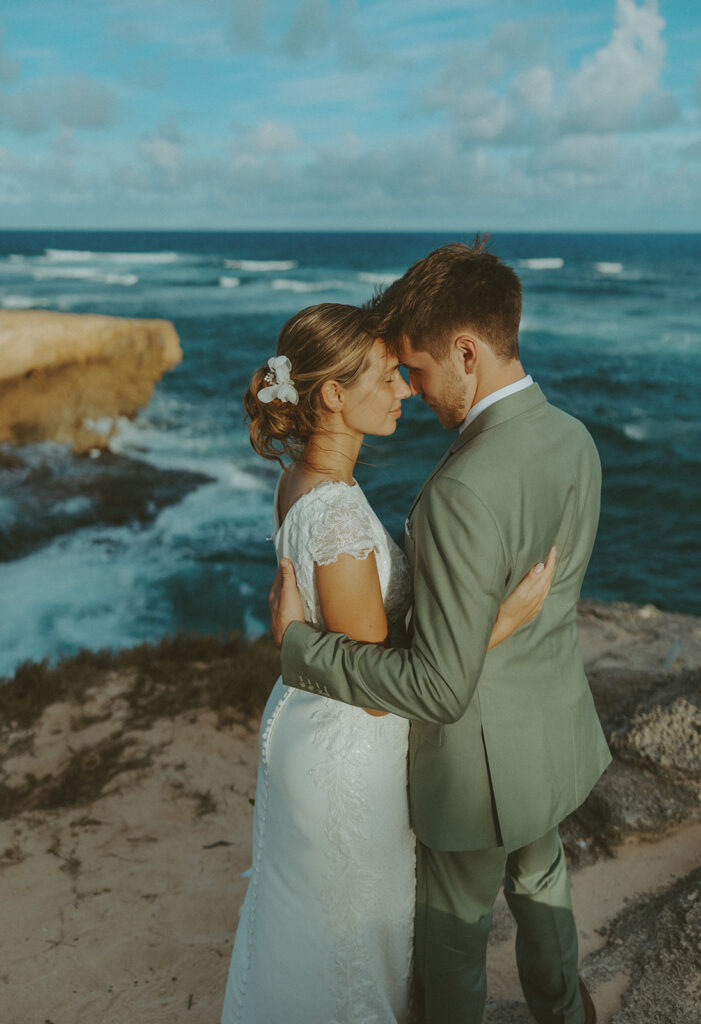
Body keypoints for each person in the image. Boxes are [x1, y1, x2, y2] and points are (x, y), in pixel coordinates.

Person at [270, 241, 611, 1024]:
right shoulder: (573, 438)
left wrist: (298, 648)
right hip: (550, 733)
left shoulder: (462, 487)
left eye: (416, 370)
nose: (411, 390)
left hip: (476, 766)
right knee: (540, 888)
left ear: (466, 352)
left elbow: (437, 685)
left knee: (454, 944)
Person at [221, 301, 556, 1024]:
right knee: (352, 951)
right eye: (385, 375)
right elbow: (378, 687)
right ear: (333, 396)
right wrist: (496, 622)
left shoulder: (300, 480)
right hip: (348, 746)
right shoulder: (337, 514)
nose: (404, 387)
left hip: (306, 718)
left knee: (310, 933)